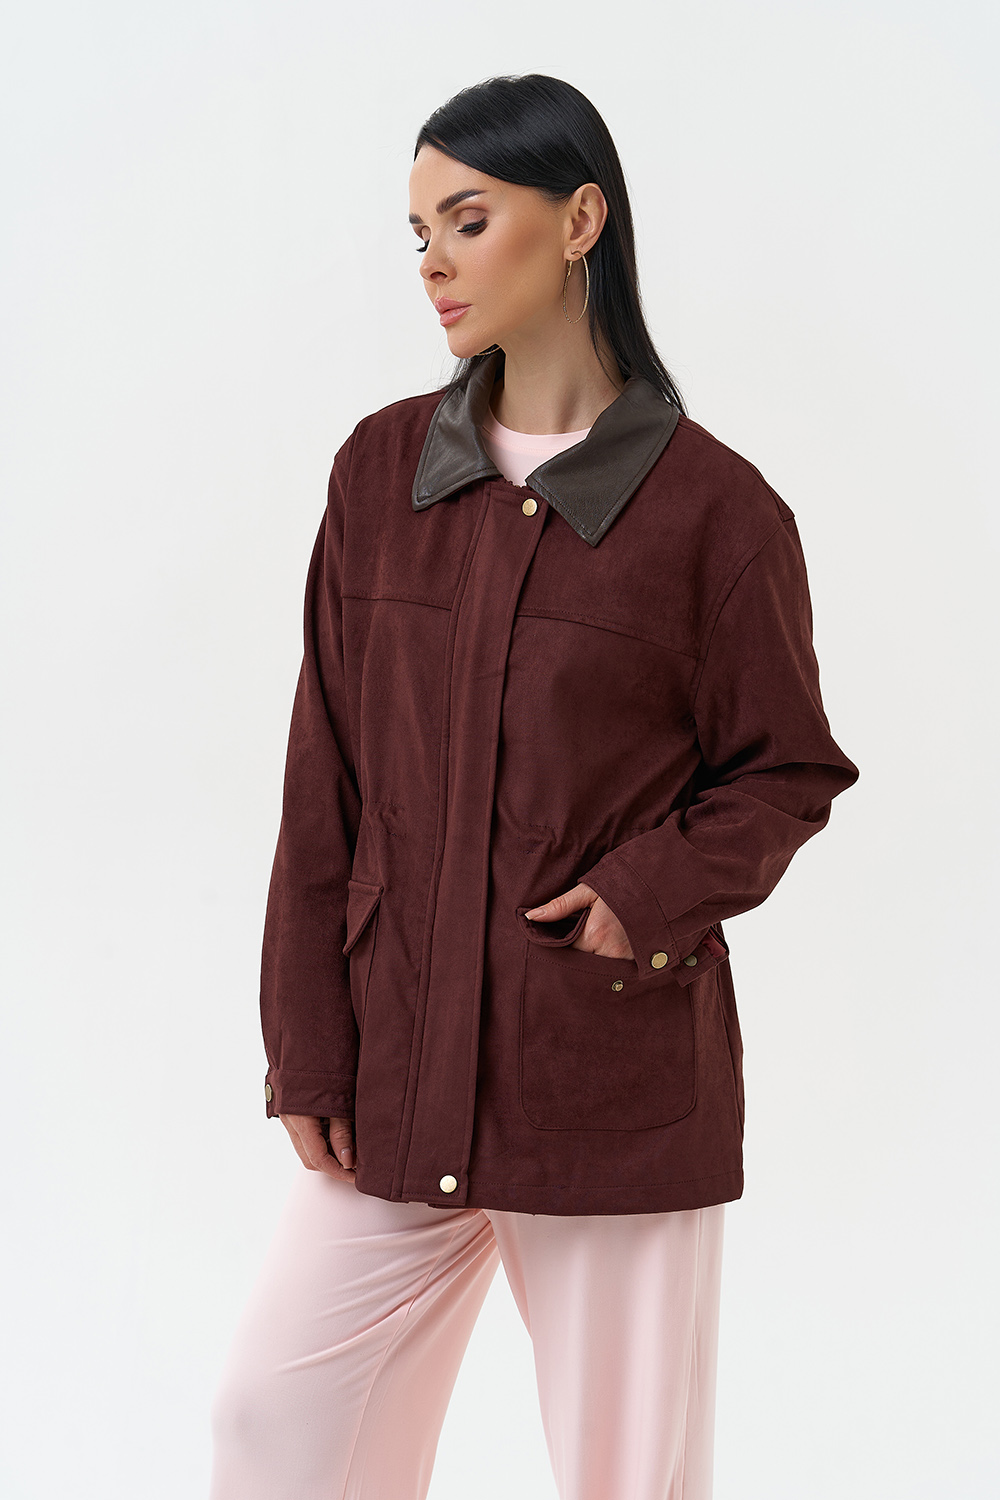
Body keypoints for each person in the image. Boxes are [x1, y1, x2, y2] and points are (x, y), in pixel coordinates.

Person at [208, 72, 860, 1500]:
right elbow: (323, 774)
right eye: (417, 231)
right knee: (272, 1419)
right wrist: (306, 1044)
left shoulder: (717, 514)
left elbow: (787, 767)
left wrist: (645, 893)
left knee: (627, 1477)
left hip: (604, 1076)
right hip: (397, 1070)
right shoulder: (381, 473)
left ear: (579, 223)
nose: (431, 260)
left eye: (467, 218)